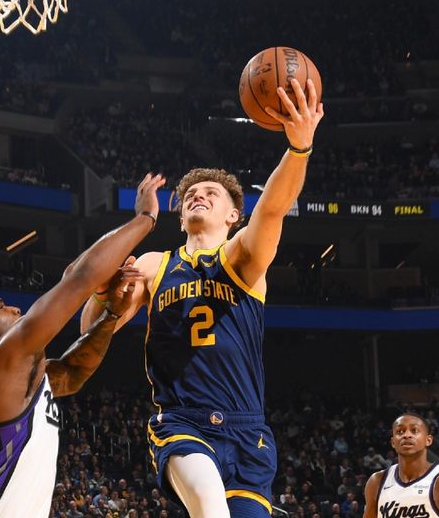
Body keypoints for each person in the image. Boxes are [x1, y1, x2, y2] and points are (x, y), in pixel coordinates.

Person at [80, 80, 324, 518]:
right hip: (182, 421)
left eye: (212, 193)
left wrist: (299, 148)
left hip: (249, 431)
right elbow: (90, 332)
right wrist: (105, 294)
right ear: (179, 216)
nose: (198, 195)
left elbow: (272, 206)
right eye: (191, 194)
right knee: (211, 510)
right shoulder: (156, 264)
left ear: (234, 214)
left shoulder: (243, 257)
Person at [0, 173, 165, 518]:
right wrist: (145, 218)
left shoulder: (11, 379)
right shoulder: (5, 360)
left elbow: (74, 372)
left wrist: (111, 315)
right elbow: (78, 278)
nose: (15, 309)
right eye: (0, 307)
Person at [363, 413, 439, 518]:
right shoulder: (376, 482)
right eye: (400, 431)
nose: (406, 435)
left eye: (414, 430)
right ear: (393, 442)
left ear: (428, 440)